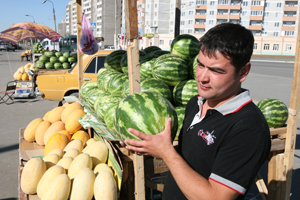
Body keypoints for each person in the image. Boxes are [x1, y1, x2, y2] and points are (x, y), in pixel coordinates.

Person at [122, 23, 271, 200]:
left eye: (216, 70)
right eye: (200, 65)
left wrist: (167, 153)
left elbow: (216, 197)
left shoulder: (249, 128)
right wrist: (152, 146)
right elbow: (193, 158)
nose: (202, 77)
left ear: (243, 72)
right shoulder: (196, 103)